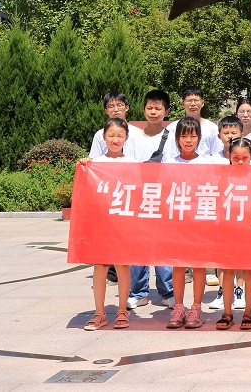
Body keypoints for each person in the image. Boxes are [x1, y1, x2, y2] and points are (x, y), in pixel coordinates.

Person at [82, 118, 134, 331]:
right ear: (103, 137)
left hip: (123, 222)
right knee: (100, 265)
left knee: (122, 264)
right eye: (111, 135)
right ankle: (99, 312)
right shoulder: (95, 163)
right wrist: (85, 166)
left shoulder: (132, 163)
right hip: (101, 223)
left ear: (126, 138)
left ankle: (122, 310)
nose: (115, 139)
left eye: (120, 135)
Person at [126, 90, 175, 310]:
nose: (153, 112)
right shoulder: (133, 137)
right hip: (139, 196)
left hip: (163, 197)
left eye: (158, 108)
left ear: (166, 111)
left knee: (164, 244)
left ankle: (168, 291)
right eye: (149, 108)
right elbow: (127, 164)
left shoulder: (172, 137)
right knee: (138, 245)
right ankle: (138, 292)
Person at [166, 117, 215, 330]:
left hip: (199, 222)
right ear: (177, 138)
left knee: (198, 265)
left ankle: (196, 308)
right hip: (178, 222)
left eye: (193, 136)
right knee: (178, 265)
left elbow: (212, 190)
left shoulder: (207, 163)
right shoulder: (170, 163)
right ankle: (178, 307)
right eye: (184, 136)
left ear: (199, 138)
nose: (188, 140)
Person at [206, 117, 250, 313]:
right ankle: (223, 291)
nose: (229, 136)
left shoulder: (248, 159)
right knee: (222, 258)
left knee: (240, 257)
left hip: (242, 216)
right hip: (221, 216)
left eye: (234, 133)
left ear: (241, 134)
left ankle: (239, 291)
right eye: (226, 133)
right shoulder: (213, 159)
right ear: (219, 135)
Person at [217, 136, 251, 330]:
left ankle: (248, 311)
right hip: (228, 230)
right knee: (228, 272)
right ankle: (227, 312)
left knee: (248, 271)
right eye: (236, 158)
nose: (240, 162)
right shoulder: (223, 176)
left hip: (250, 231)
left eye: (245, 158)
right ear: (229, 156)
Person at [167, 85, 223, 158]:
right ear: (183, 104)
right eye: (189, 101)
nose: (193, 104)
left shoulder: (212, 128)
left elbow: (217, 154)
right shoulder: (172, 127)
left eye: (196, 100)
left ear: (202, 103)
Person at [89, 92, 141, 158]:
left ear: (127, 107)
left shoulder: (138, 134)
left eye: (119, 105)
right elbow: (94, 159)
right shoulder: (99, 135)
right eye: (111, 106)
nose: (116, 110)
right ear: (106, 111)